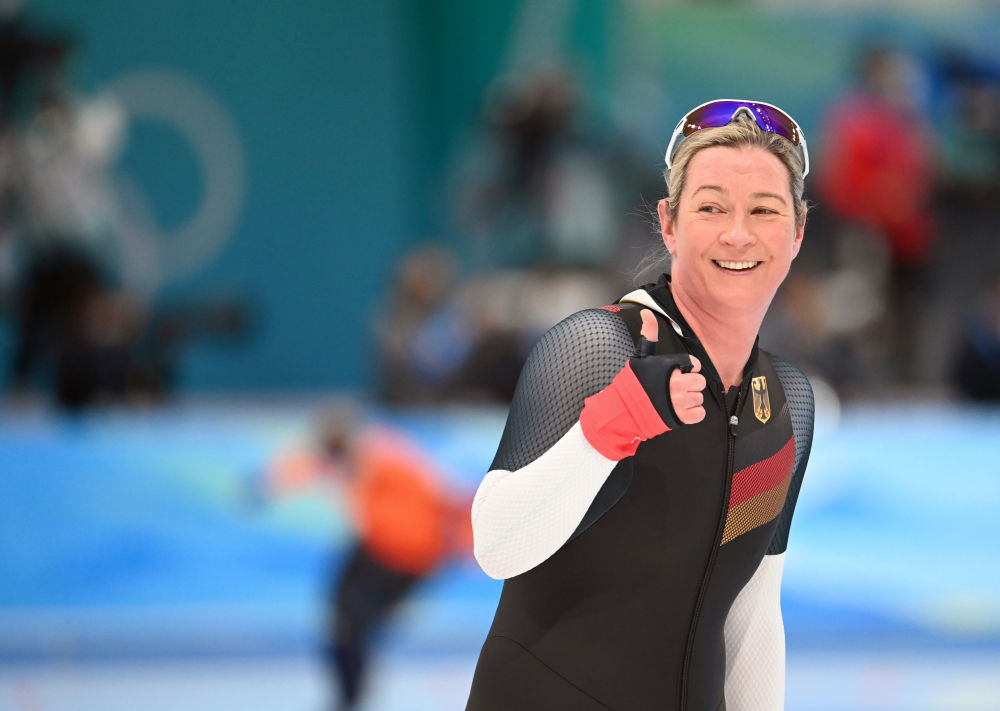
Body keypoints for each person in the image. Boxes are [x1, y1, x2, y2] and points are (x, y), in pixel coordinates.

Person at [465, 100, 816, 711]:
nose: (738, 234)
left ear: (797, 234)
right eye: (711, 207)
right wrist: (608, 429)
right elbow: (495, 547)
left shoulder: (786, 402)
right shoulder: (600, 348)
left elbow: (754, 615)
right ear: (669, 224)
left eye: (764, 210)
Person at [257, 407, 472, 710]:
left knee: (353, 625)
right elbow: (310, 466)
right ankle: (349, 695)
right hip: (379, 549)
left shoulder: (383, 456)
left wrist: (465, 543)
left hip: (409, 556)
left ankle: (350, 696)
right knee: (345, 624)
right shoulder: (360, 457)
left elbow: (447, 491)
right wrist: (269, 483)